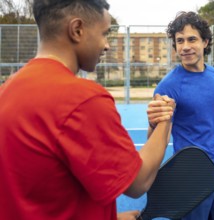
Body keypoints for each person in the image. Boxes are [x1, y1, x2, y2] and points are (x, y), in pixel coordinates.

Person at [0, 1, 175, 220]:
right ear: (77, 30)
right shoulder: (82, 99)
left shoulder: (7, 90)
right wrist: (166, 118)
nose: (107, 46)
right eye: (104, 34)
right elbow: (138, 182)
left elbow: (40, 190)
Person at [147, 11, 214, 220]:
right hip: (189, 176)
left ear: (205, 41)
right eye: (179, 41)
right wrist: (153, 125)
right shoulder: (168, 86)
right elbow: (159, 138)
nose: (185, 47)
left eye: (192, 39)